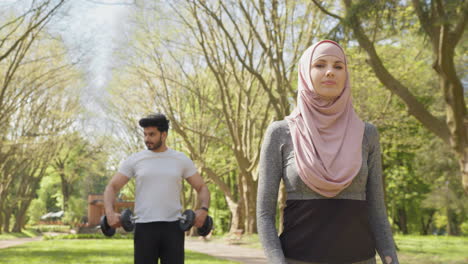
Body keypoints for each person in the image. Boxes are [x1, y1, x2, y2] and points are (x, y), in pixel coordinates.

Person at [256, 40, 399, 264]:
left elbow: (377, 210)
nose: (330, 72)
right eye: (320, 65)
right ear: (305, 72)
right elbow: (264, 214)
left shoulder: (367, 134)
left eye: (338, 66)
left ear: (346, 75)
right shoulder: (280, 133)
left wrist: (391, 258)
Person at [104, 113, 210, 264]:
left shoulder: (180, 159)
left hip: (173, 228)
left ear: (164, 134)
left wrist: (203, 210)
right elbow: (112, 187)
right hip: (144, 228)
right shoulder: (135, 159)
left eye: (152, 134)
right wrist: (109, 212)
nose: (147, 139)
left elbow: (202, 187)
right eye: (145, 134)